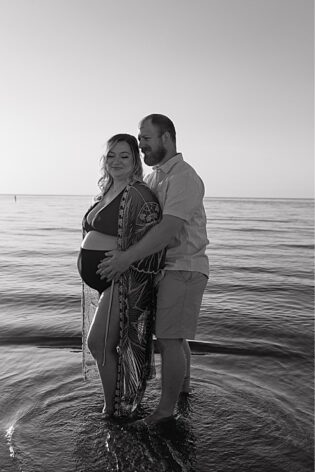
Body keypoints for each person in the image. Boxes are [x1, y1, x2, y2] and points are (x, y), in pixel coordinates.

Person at [98, 114, 209, 426]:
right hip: (163, 268)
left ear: (167, 137)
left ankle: (164, 412)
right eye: (140, 137)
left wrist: (125, 259)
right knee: (176, 337)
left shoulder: (183, 176)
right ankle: (183, 391)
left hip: (183, 266)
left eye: (145, 138)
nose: (141, 144)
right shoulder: (154, 178)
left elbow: (167, 229)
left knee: (170, 339)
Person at [80, 134, 164, 419]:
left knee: (98, 343)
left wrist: (122, 260)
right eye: (111, 155)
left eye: (124, 156)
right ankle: (117, 404)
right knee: (105, 344)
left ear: (135, 161)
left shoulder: (140, 194)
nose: (116, 161)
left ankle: (114, 411)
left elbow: (154, 243)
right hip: (108, 283)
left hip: (126, 280)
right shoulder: (106, 192)